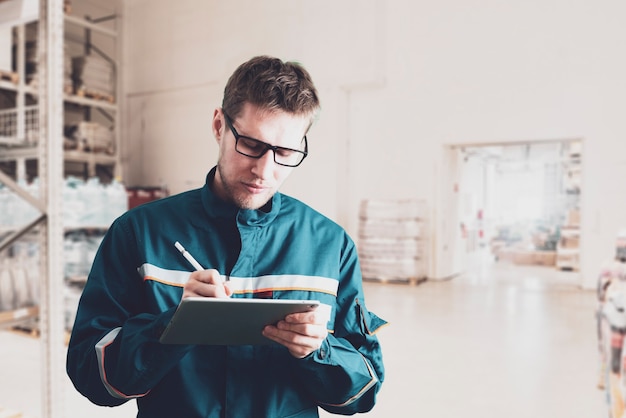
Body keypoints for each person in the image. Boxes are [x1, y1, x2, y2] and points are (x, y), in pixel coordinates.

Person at [66, 55, 386, 418]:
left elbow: (365, 392)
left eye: (285, 152)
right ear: (219, 125)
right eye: (251, 144)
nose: (265, 170)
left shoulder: (331, 246)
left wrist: (319, 351)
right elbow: (89, 375)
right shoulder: (139, 234)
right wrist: (173, 327)